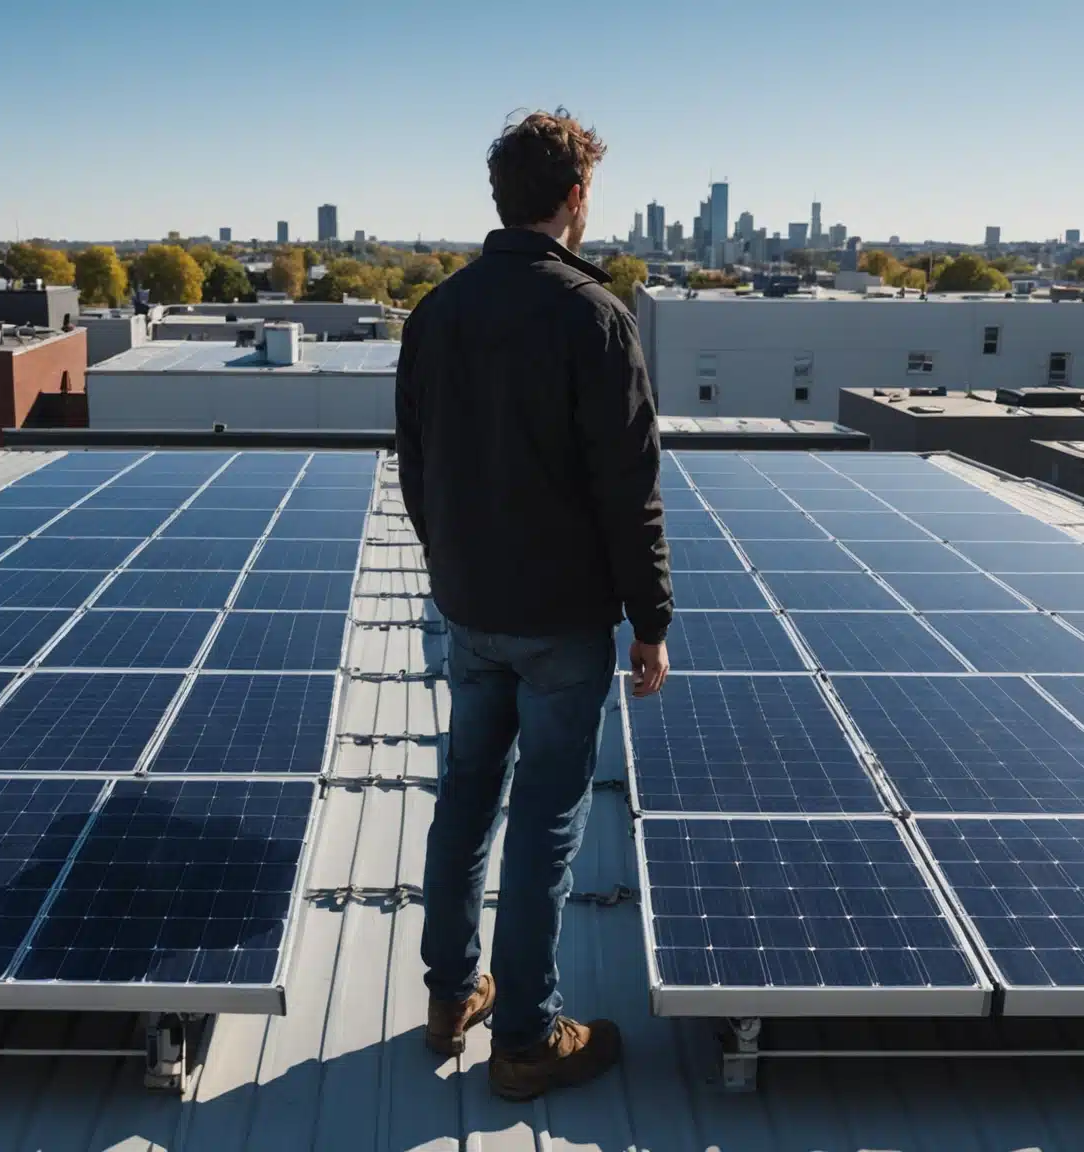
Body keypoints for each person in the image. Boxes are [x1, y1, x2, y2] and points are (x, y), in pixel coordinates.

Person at [395, 108, 672, 1101]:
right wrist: (651, 623)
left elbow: (416, 468)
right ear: (574, 199)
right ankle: (523, 1039)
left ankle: (447, 998)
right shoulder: (594, 317)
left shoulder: (437, 313)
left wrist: (459, 569)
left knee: (464, 799)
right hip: (560, 624)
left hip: (470, 613)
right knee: (545, 823)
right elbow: (627, 489)